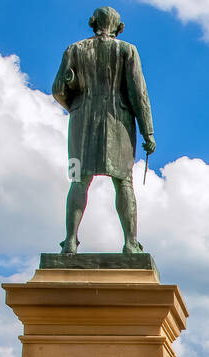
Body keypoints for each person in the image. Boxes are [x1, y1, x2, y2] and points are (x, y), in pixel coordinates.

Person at [53, 7, 157, 254]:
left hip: (81, 123)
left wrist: (75, 106)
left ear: (93, 23)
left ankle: (70, 241)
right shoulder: (126, 50)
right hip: (117, 121)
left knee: (78, 180)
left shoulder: (73, 50)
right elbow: (138, 93)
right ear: (119, 26)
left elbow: (58, 89)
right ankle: (131, 243)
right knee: (124, 182)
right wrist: (147, 132)